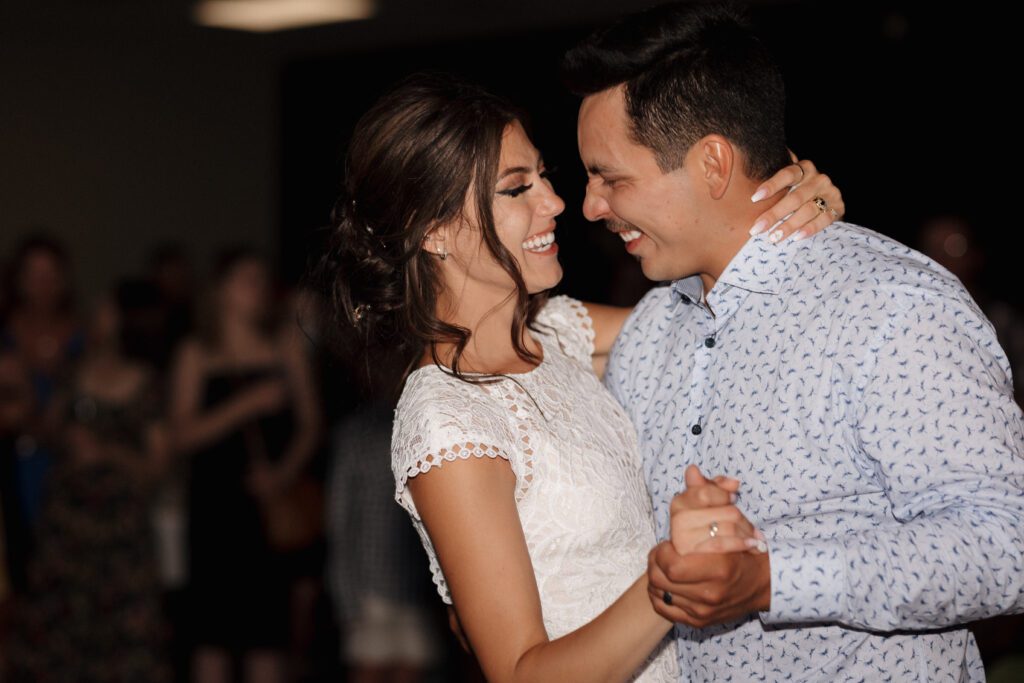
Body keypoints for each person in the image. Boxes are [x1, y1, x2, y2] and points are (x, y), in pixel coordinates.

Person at [314, 71, 843, 682]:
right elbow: (521, 673)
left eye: (544, 176)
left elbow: (718, 318)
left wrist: (789, 216)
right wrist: (673, 576)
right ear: (432, 229)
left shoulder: (557, 335)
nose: (556, 203)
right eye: (516, 189)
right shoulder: (447, 420)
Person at [561, 2, 1024, 680]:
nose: (591, 205)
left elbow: (1007, 545)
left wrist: (773, 578)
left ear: (713, 163)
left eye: (612, 177)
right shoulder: (651, 334)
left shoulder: (889, 305)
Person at [168, 248, 322, 683]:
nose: (258, 290)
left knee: (266, 639)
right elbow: (181, 435)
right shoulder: (196, 353)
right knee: (211, 639)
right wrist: (246, 404)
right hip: (215, 507)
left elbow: (312, 426)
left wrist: (283, 474)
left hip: (266, 507)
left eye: (261, 280)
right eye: (246, 280)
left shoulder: (284, 348)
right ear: (220, 292)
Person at [6, 283, 171, 682]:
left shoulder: (146, 381)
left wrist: (107, 452)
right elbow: (45, 429)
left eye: (105, 310)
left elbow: (158, 466)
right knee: (58, 631)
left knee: (122, 636)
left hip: (118, 528)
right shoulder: (73, 371)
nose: (95, 317)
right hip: (67, 522)